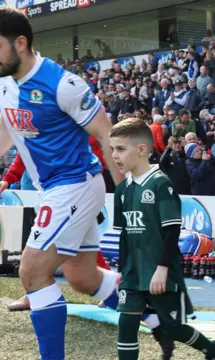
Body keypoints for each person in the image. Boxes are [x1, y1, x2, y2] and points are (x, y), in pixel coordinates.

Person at [0, 8, 173, 359]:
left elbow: (108, 136)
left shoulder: (63, 85)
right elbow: (6, 131)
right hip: (54, 187)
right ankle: (161, 322)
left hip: (74, 184)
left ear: (20, 43)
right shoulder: (5, 82)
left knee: (32, 271)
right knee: (81, 277)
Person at [109, 119, 215, 360]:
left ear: (142, 150)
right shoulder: (122, 190)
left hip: (161, 271)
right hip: (133, 273)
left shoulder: (161, 184)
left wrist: (162, 269)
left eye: (120, 149)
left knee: (174, 327)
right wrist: (121, 271)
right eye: (112, 149)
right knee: (126, 325)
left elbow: (172, 232)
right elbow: (123, 235)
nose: (114, 155)